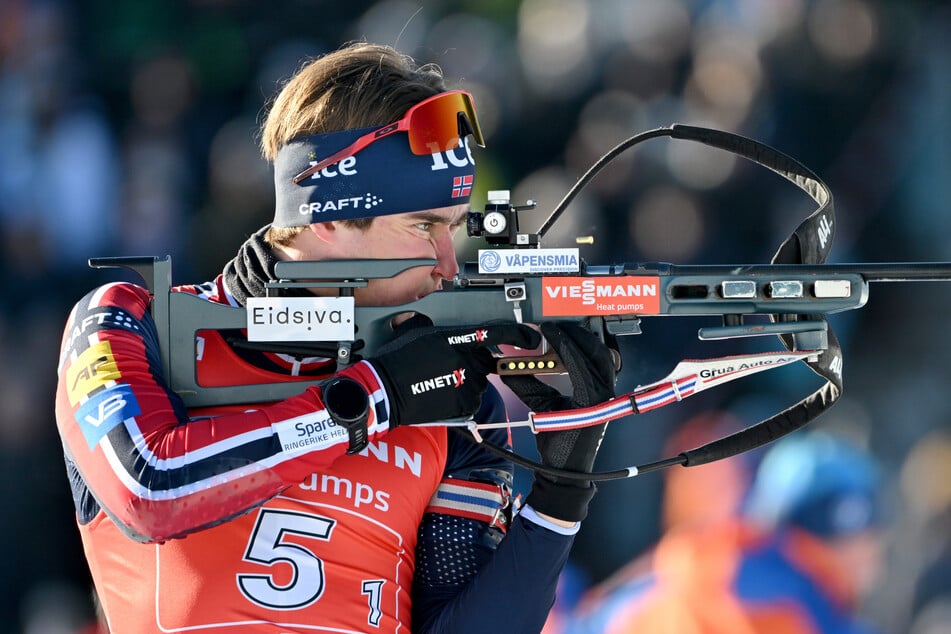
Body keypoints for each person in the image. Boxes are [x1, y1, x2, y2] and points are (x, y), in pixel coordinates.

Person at [54, 42, 617, 633]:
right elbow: (151, 489)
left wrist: (562, 489)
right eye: (424, 226)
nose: (448, 264)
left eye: (452, 229)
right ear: (324, 217)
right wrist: (371, 400)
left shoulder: (442, 393)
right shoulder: (129, 320)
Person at [562, 429, 885, 634]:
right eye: (861, 542)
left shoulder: (702, 551)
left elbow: (595, 617)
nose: (869, 555)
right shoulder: (803, 607)